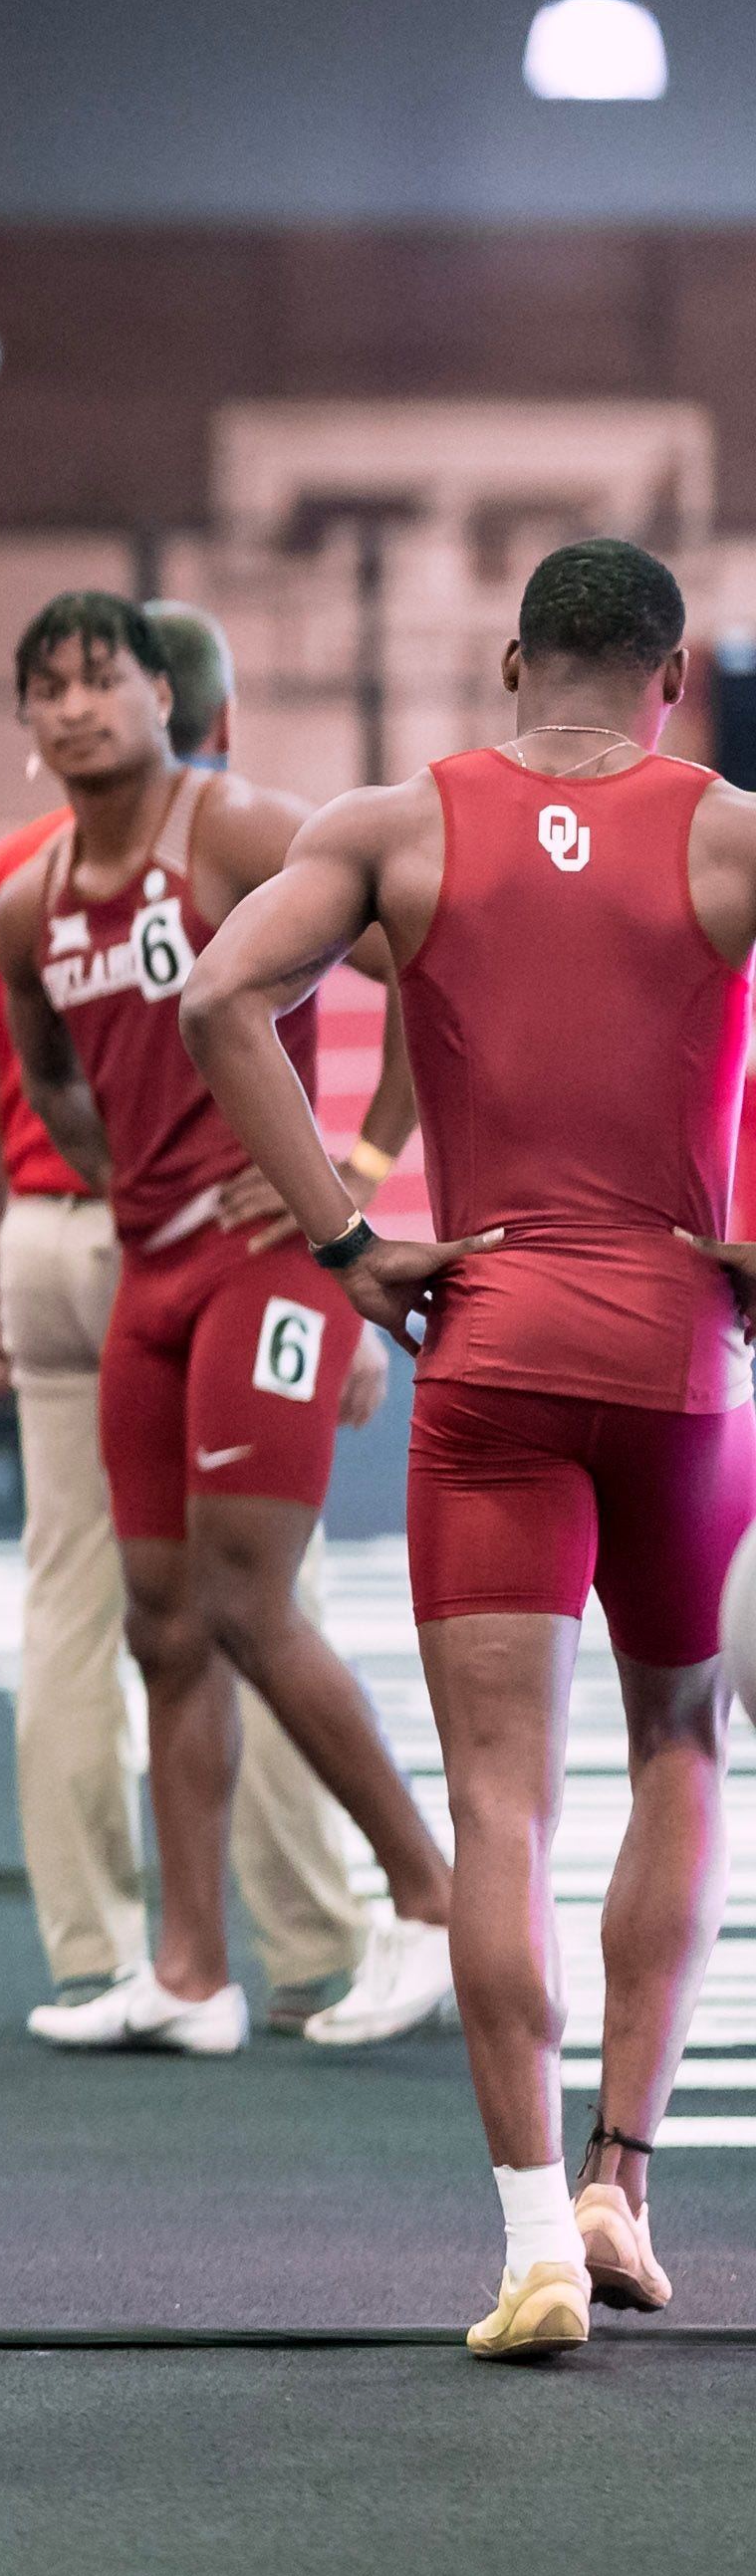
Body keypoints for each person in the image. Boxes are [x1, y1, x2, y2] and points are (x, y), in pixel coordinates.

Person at [184, 537, 756, 2358]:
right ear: (671, 683)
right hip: (681, 1353)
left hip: (487, 1341)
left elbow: (216, 999)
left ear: (515, 665)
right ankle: (622, 2182)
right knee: (678, 1738)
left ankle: (524, 2241)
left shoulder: (395, 826)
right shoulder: (731, 829)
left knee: (501, 1801)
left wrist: (349, 1244)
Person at [0, 590, 453, 2053]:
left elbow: (434, 980)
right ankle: (191, 1974)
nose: (77, 707)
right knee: (163, 1626)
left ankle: (431, 1900)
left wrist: (348, 1186)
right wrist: (123, 1177)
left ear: (157, 694)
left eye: (102, 677)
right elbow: (48, 1071)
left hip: (269, 1273)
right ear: (26, 724)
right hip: (149, 1281)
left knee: (252, 1602)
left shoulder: (243, 834)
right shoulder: (26, 900)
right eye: (48, 688)